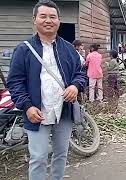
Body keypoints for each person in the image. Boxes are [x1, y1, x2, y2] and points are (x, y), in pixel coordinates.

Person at [6, 1, 87, 180]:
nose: (48, 20)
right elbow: (15, 82)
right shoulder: (23, 50)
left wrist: (75, 86)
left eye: (53, 16)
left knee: (61, 155)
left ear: (58, 21)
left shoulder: (68, 49)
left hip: (63, 111)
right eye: (43, 16)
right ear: (34, 20)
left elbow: (80, 74)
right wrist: (27, 106)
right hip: (36, 113)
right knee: (38, 158)